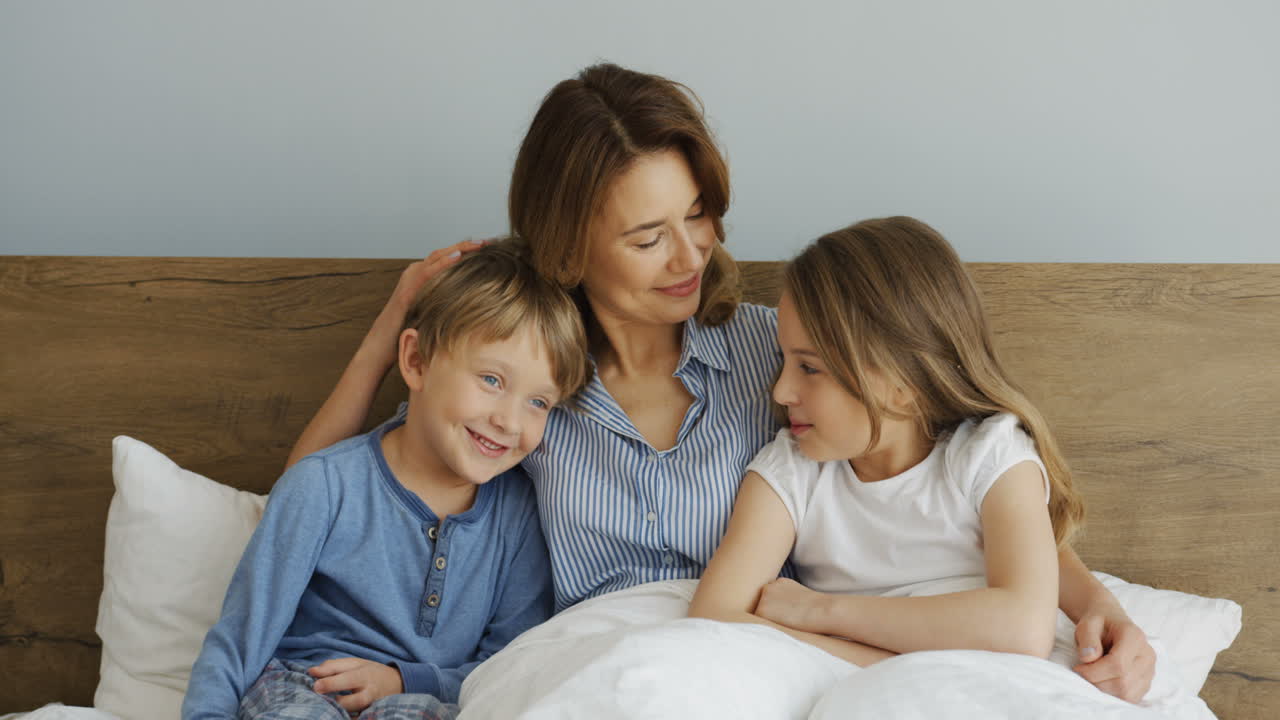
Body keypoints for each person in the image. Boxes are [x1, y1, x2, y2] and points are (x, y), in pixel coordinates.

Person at [288, 63, 1156, 702]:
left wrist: (1096, 602)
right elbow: (317, 500)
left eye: (698, 215)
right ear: (568, 248)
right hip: (608, 660)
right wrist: (388, 330)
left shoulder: (785, 354)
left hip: (765, 657)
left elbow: (950, 486)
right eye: (647, 238)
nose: (690, 256)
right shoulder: (524, 383)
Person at [183, 241, 589, 720]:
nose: (509, 421)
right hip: (307, 684)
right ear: (416, 361)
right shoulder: (325, 485)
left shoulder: (521, 514)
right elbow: (241, 638)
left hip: (426, 701)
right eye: (491, 380)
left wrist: (403, 680)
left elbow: (508, 666)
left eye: (538, 402)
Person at [689, 216, 1084, 670]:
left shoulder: (990, 455)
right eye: (785, 361)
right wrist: (877, 664)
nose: (781, 392)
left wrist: (821, 611)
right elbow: (714, 616)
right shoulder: (792, 471)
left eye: (810, 368)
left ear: (903, 383)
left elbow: (1023, 628)